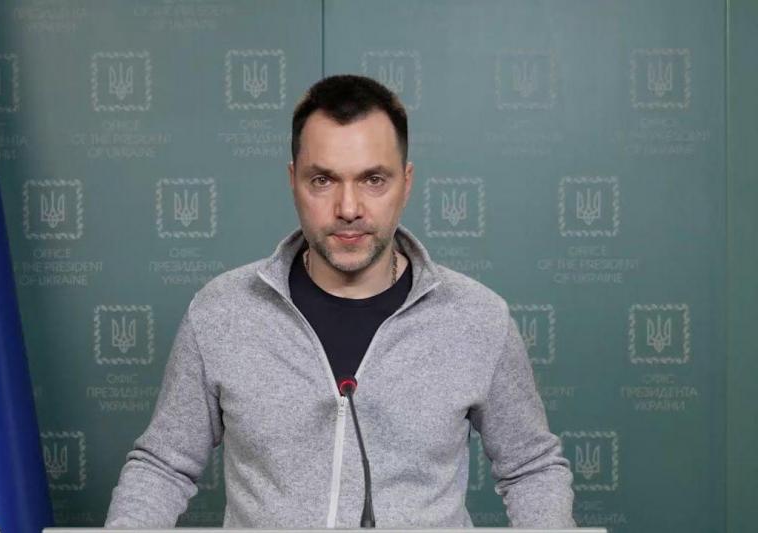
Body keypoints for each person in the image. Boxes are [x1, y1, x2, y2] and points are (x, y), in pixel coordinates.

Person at [105, 74, 575, 529]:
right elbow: (163, 465)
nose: (349, 208)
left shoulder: (477, 317)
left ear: (406, 183)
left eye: (373, 179)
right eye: (323, 180)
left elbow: (531, 469)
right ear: (293, 180)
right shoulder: (222, 311)